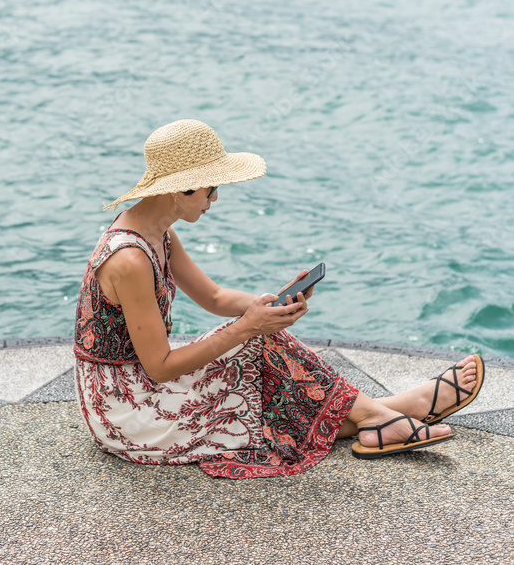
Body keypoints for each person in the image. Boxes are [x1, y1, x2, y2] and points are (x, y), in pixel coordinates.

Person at [73, 119, 484, 479]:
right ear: (182, 188)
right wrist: (248, 326)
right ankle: (392, 411)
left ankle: (382, 415)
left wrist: (270, 307)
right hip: (126, 413)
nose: (215, 198)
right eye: (212, 188)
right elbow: (159, 367)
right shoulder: (130, 260)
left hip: (139, 388)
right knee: (253, 343)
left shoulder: (158, 233)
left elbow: (214, 297)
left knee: (260, 343)